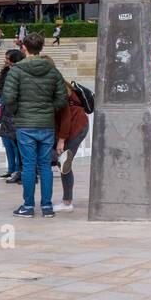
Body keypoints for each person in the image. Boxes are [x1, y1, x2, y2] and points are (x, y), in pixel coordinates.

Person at [1, 32, 67, 217]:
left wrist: (17, 112)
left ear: (24, 47)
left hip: (25, 123)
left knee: (29, 166)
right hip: (46, 124)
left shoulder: (17, 70)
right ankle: (47, 206)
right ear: (41, 47)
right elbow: (62, 97)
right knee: (45, 165)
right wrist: (49, 109)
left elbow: (9, 97)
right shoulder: (52, 70)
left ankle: (28, 206)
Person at [54, 81, 90, 212]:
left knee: (64, 162)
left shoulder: (58, 89)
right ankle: (67, 200)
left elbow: (66, 117)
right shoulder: (62, 85)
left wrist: (61, 139)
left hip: (75, 127)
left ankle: (67, 202)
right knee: (63, 162)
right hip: (78, 124)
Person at [0, 49, 25, 183]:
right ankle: (11, 169)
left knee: (15, 143)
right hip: (4, 111)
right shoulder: (6, 72)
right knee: (7, 141)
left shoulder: (17, 73)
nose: (5, 60)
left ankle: (18, 170)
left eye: (7, 58)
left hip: (13, 112)